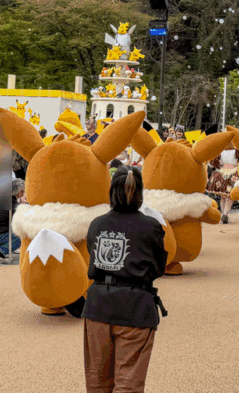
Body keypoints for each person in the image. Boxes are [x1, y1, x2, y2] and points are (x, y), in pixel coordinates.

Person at [80, 166, 168, 393]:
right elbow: (158, 267)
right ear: (140, 193)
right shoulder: (151, 226)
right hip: (136, 308)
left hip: (98, 306)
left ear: (111, 192)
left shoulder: (97, 224)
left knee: (97, 381)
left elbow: (92, 259)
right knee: (128, 383)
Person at [207, 141, 239, 224]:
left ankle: (224, 214)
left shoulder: (220, 150)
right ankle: (225, 214)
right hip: (233, 173)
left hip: (221, 172)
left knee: (223, 195)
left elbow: (213, 163)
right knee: (229, 196)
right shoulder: (237, 150)